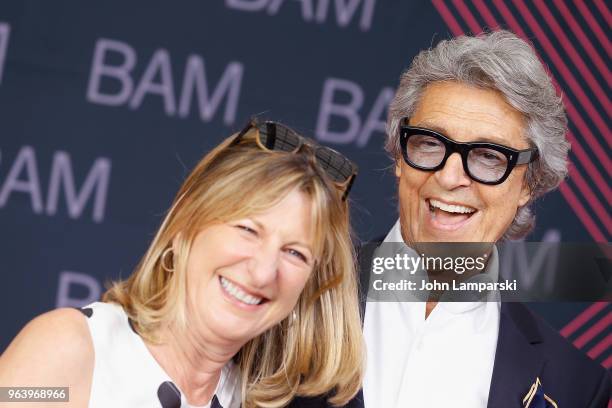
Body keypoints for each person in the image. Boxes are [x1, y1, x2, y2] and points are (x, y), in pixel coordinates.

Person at [292, 30, 610, 408]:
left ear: (530, 182)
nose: (449, 177)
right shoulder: (296, 291)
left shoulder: (574, 384)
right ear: (398, 155)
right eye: (430, 143)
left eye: (489, 156)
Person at [0, 119, 364, 408]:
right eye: (248, 229)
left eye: (295, 253)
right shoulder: (71, 354)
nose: (264, 271)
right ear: (186, 224)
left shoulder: (256, 402)